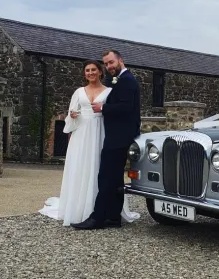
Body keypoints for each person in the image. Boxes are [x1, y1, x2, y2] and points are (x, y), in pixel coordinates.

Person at [38, 59, 140, 227]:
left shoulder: (109, 91)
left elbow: (117, 113)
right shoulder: (79, 92)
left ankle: (99, 210)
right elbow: (70, 117)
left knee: (99, 169)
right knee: (80, 167)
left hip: (101, 132)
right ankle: (78, 209)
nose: (90, 73)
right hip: (81, 134)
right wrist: (72, 115)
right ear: (84, 74)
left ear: (100, 72)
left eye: (94, 70)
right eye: (87, 70)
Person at [70, 49, 142, 230]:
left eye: (111, 62)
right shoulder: (123, 80)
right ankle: (113, 217)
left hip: (119, 137)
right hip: (119, 135)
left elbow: (126, 107)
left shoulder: (127, 81)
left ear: (120, 60)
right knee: (116, 178)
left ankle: (98, 218)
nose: (109, 66)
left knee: (105, 177)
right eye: (107, 63)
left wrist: (104, 107)